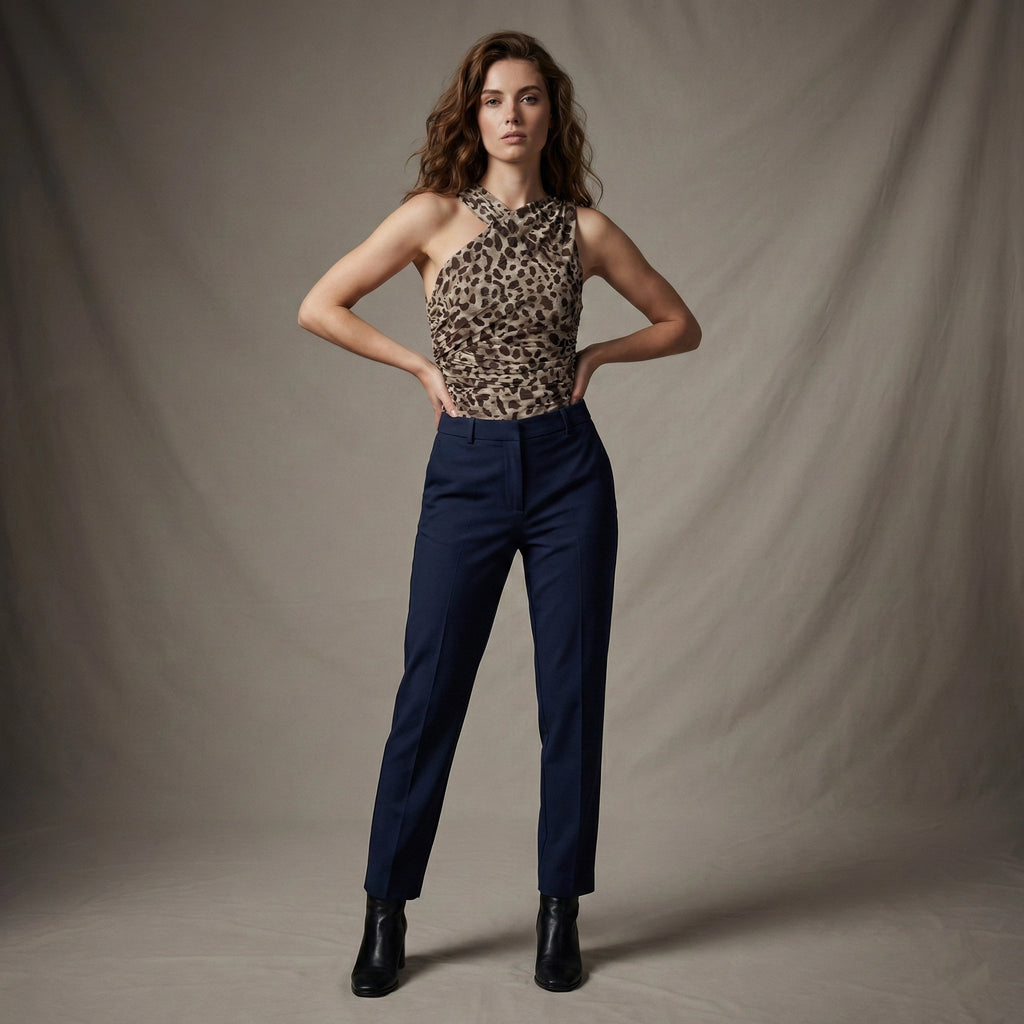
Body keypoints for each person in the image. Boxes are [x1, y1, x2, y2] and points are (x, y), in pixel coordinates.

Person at [298, 30, 700, 997]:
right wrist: (420, 368)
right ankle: (386, 913)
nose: (511, 115)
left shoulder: (585, 230)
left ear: (551, 113)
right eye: (493, 100)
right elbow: (321, 304)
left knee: (570, 697)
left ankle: (560, 913)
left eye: (528, 98)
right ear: (470, 115)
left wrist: (596, 357)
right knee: (429, 691)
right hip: (468, 469)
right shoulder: (430, 217)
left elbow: (681, 324)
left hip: (568, 473)